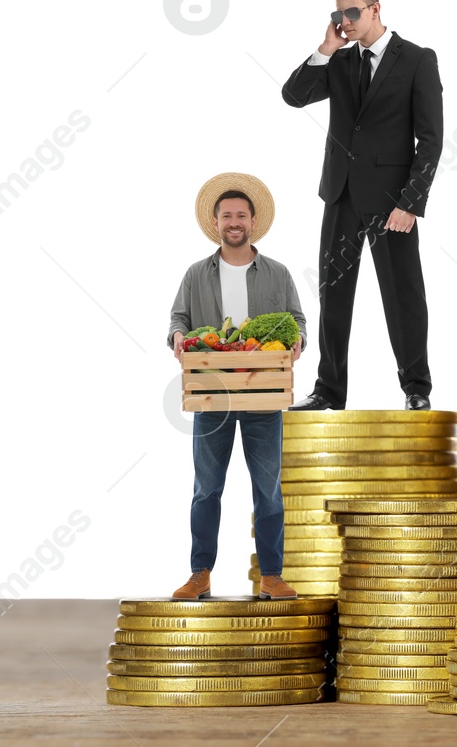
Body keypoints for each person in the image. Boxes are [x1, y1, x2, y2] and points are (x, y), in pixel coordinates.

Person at [282, 0, 442, 411]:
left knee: (404, 295)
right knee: (332, 296)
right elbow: (293, 96)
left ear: (375, 9)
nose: (345, 22)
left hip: (394, 201)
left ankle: (416, 389)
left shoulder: (417, 60)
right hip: (341, 194)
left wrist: (411, 202)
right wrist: (326, 48)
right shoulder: (339, 61)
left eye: (352, 13)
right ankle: (328, 391)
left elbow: (430, 140)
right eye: (339, 14)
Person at [166, 173, 307, 599]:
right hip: (211, 394)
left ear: (253, 220)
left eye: (240, 215)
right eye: (226, 215)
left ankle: (272, 576)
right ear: (215, 222)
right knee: (206, 488)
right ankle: (200, 574)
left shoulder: (278, 273)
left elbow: (297, 321)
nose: (234, 221)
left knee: (268, 489)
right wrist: (176, 337)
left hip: (264, 393)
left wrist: (298, 340)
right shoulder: (195, 274)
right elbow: (178, 320)